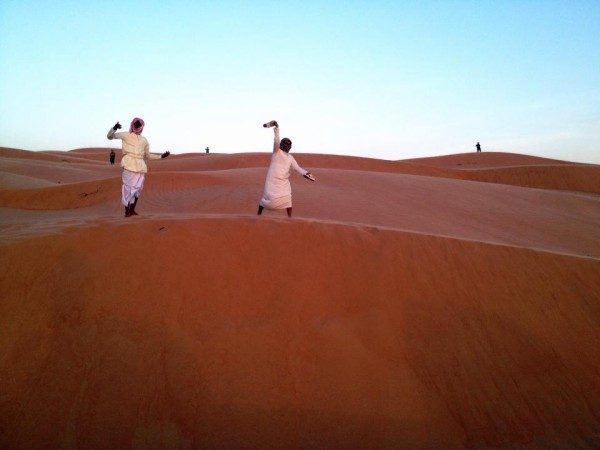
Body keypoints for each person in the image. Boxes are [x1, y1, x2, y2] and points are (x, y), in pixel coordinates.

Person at [107, 117, 170, 217]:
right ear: (132, 125)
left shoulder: (144, 140)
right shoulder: (125, 135)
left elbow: (147, 156)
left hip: (140, 167)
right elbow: (110, 136)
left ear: (142, 127)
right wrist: (114, 128)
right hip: (129, 165)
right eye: (135, 125)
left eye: (138, 125)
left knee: (137, 189)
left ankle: (132, 210)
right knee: (128, 189)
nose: (137, 127)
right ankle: (127, 212)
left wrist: (161, 156)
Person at [257, 120, 315, 218]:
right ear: (282, 145)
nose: (288, 147)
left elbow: (297, 168)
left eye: (289, 145)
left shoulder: (290, 157)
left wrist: (306, 174)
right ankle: (258, 215)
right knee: (265, 200)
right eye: (286, 144)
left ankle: (290, 218)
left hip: (283, 182)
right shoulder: (277, 152)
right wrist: (276, 129)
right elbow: (276, 140)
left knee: (288, 198)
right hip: (273, 182)